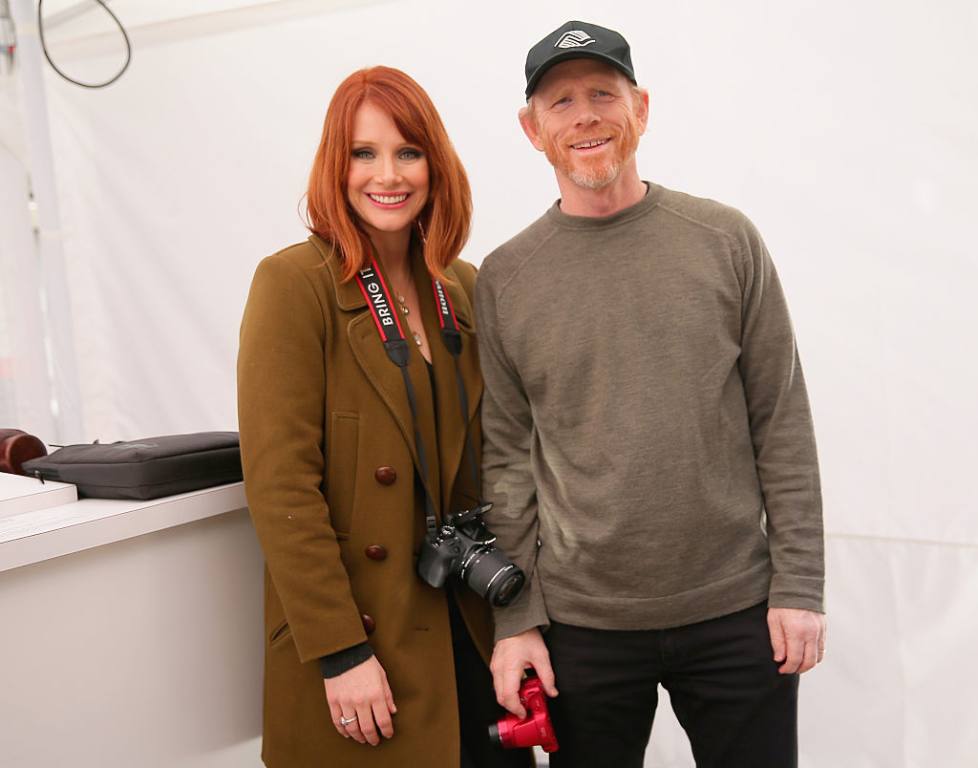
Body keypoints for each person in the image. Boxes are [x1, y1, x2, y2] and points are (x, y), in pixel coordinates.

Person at [476, 20, 826, 768]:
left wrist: (799, 584)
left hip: (736, 609)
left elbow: (782, 421)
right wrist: (516, 619)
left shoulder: (724, 240)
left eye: (603, 93)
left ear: (641, 107)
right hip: (582, 625)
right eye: (561, 102)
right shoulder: (506, 278)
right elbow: (506, 460)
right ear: (531, 129)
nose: (585, 117)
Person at [238, 66, 531, 768]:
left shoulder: (462, 284)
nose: (387, 174)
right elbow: (282, 489)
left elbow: (500, 461)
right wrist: (341, 651)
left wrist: (523, 622)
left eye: (407, 151)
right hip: (361, 638)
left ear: (435, 163)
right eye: (363, 154)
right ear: (335, 167)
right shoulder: (292, 284)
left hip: (467, 623)